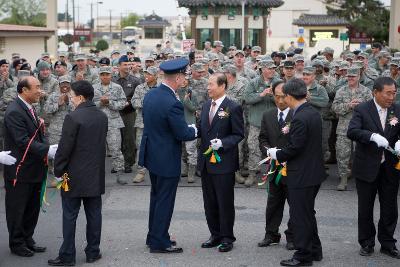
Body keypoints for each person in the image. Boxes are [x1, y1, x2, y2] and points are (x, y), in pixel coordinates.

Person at [138, 58, 197, 253]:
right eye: (184, 76)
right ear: (178, 77)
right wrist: (196, 129)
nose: (185, 79)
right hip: (166, 158)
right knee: (164, 200)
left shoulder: (151, 94)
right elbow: (181, 133)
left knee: (156, 197)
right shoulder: (172, 102)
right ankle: (159, 242)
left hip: (152, 155)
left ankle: (154, 235)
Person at [48, 80, 108, 266]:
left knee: (69, 215)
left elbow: (64, 149)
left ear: (80, 97)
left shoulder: (73, 117)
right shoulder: (102, 116)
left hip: (71, 175)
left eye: (72, 96)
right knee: (94, 214)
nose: (71, 100)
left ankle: (67, 255)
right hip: (95, 174)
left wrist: (58, 170)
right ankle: (93, 251)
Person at [268, 78, 325, 266]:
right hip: (313, 172)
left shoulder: (300, 117)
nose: (283, 100)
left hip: (302, 174)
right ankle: (315, 250)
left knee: (300, 216)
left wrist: (276, 154)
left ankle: (303, 255)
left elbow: (294, 148)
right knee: (308, 213)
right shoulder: (312, 112)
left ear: (290, 96)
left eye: (284, 96)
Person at [4, 76, 58, 257]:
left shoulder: (29, 107)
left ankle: (28, 238)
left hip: (34, 168)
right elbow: (22, 141)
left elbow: (37, 135)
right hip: (20, 169)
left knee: (32, 208)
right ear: (24, 90)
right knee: (18, 209)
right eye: (36, 87)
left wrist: (47, 148)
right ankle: (17, 243)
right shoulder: (14, 111)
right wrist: (47, 151)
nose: (40, 90)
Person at [347, 77, 400, 259]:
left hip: (390, 167)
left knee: (390, 207)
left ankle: (388, 243)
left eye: (394, 93)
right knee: (365, 207)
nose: (391, 97)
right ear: (375, 92)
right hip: (367, 166)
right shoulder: (363, 109)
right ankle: (367, 242)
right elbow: (352, 131)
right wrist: (371, 136)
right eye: (388, 93)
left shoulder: (397, 109)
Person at [197, 72, 244, 253]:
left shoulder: (233, 106)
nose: (207, 87)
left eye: (211, 84)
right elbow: (203, 129)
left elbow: (239, 134)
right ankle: (215, 234)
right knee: (209, 202)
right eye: (208, 84)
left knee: (224, 201)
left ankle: (227, 237)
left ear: (222, 86)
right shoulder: (207, 104)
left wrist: (223, 143)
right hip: (206, 162)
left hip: (223, 163)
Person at [258, 80, 294, 250]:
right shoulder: (268, 115)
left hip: (292, 166)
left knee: (294, 203)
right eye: (277, 97)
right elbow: (262, 137)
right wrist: (268, 150)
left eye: (283, 97)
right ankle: (271, 234)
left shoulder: (296, 114)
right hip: (274, 166)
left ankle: (293, 236)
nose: (280, 101)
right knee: (273, 202)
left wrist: (286, 155)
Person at [93, 66, 127, 184]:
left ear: (111, 75)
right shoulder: (94, 88)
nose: (105, 76)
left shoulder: (117, 87)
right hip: (97, 123)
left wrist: (110, 103)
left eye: (107, 74)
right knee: (96, 151)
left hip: (113, 123)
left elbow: (123, 102)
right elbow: (89, 104)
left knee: (116, 149)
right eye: (102, 74)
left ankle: (119, 174)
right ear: (99, 76)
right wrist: (100, 103)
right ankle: (96, 176)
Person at [113, 55, 141, 173]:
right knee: (115, 139)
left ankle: (128, 162)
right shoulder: (113, 80)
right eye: (125, 65)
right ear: (119, 66)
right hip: (115, 112)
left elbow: (137, 96)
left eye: (129, 64)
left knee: (129, 138)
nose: (128, 67)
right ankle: (117, 163)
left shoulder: (135, 80)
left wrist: (129, 103)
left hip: (129, 112)